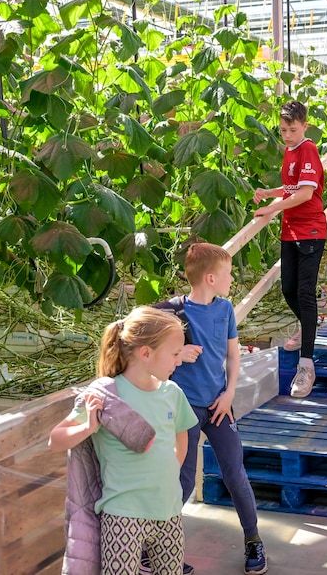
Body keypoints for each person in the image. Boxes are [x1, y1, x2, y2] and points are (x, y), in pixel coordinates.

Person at [49, 307, 197, 575]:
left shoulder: (172, 393)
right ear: (146, 353)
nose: (179, 361)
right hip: (122, 515)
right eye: (175, 354)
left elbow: (181, 435)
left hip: (169, 511)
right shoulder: (105, 395)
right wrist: (88, 426)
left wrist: (168, 472)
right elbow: (56, 440)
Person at [164, 243, 269, 575]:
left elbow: (233, 355)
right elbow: (134, 344)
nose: (232, 277)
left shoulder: (224, 309)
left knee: (235, 473)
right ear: (210, 277)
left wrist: (229, 394)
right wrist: (179, 354)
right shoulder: (170, 313)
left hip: (220, 405)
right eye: (227, 272)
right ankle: (160, 548)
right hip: (185, 408)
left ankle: (253, 540)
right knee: (181, 480)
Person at [254, 101, 327, 398]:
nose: (286, 135)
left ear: (305, 126)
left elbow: (307, 193)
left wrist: (271, 209)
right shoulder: (290, 150)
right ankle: (310, 322)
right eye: (283, 130)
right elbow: (293, 187)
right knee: (288, 290)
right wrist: (270, 194)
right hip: (291, 229)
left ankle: (306, 366)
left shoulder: (308, 149)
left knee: (305, 292)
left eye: (292, 130)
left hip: (310, 228)